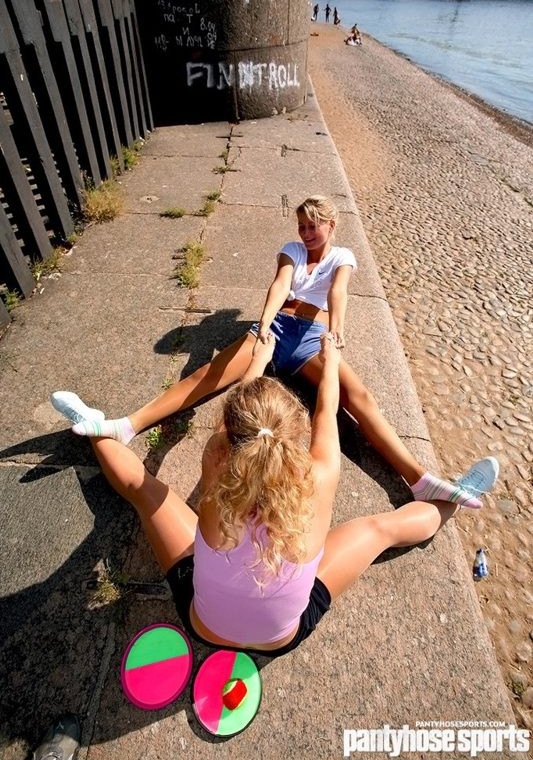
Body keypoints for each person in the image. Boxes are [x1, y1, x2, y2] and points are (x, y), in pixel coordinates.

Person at [54, 335, 492, 657]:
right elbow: (327, 408)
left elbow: (233, 422)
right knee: (380, 529)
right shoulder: (320, 475)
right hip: (279, 638)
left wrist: (258, 359)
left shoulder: (216, 463)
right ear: (295, 436)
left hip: (203, 626)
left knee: (144, 493)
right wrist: (332, 360)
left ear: (228, 438)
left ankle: (96, 427)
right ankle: (454, 498)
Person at [52, 196, 498, 510]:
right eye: (301, 225)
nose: (306, 233)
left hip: (311, 338)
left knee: (356, 398)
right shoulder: (291, 250)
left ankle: (419, 480)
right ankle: (126, 426)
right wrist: (264, 324)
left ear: (331, 224)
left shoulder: (343, 255)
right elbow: (280, 284)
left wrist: (336, 334)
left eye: (313, 225)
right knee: (207, 376)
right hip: (277, 328)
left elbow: (339, 292)